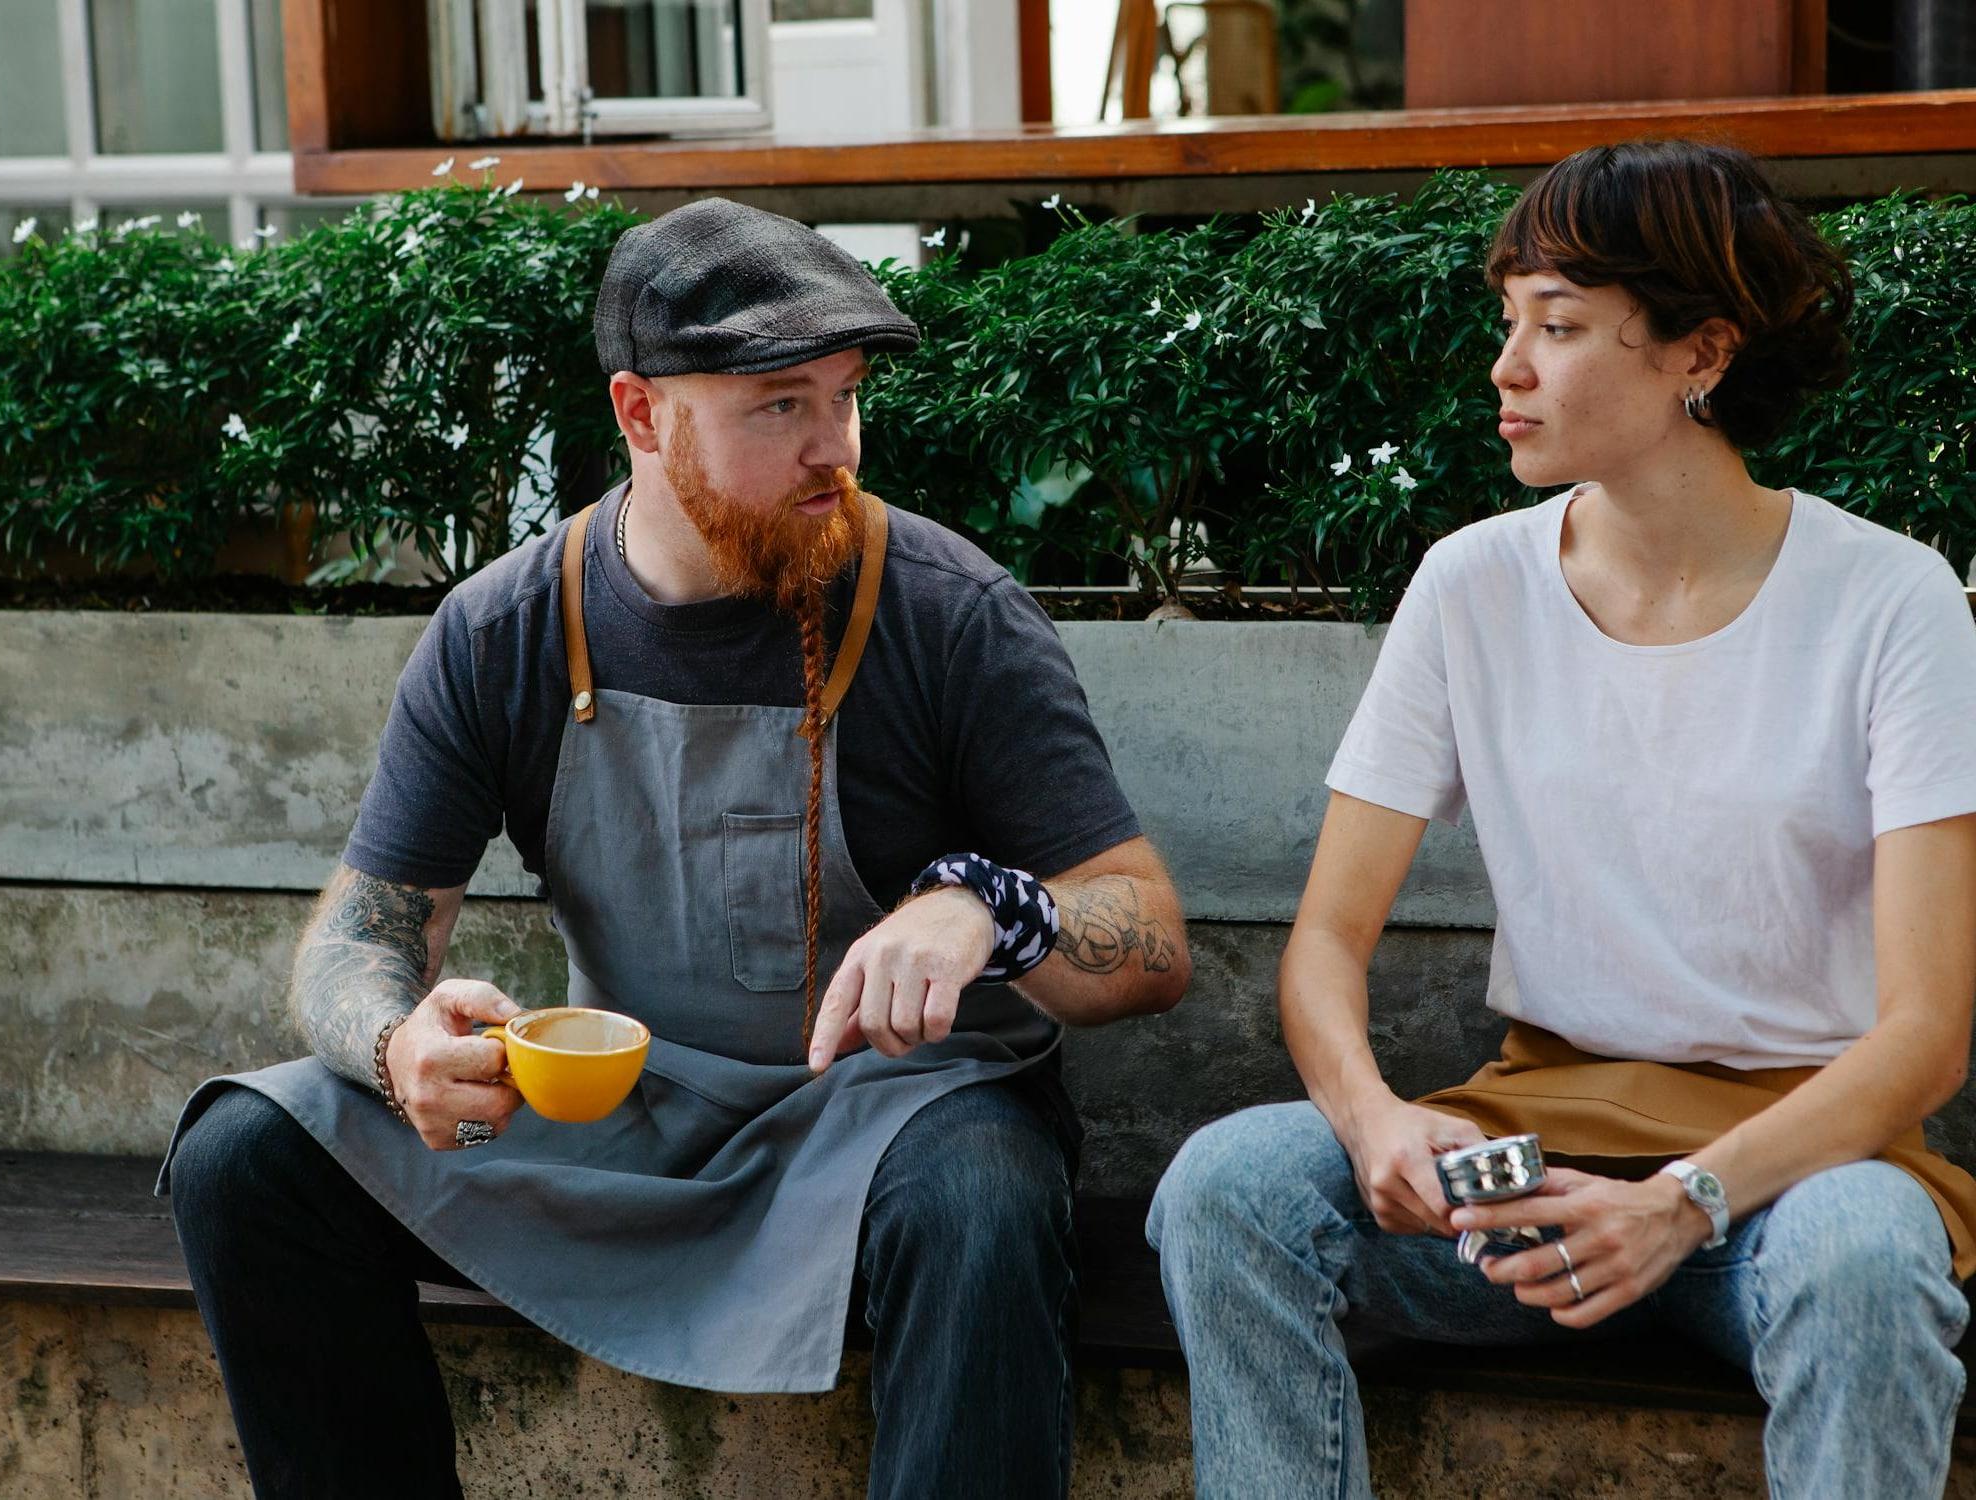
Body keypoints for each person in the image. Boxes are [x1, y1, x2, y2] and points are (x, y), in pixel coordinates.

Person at [162, 196, 1190, 1499]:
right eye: (780, 407)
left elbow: (1150, 940)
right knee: (246, 1154)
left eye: (847, 397)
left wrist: (997, 910)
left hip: (897, 1126)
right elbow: (363, 933)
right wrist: (395, 1042)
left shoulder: (948, 614)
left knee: (984, 1196)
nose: (837, 449)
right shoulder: (504, 632)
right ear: (641, 414)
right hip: (642, 1119)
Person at [1148, 139, 1976, 1498]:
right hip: (1529, 1161)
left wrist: (1682, 1203)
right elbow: (1324, 948)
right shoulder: (1472, 586)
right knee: (1231, 1187)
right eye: (1509, 319)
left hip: (1791, 1179)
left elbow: (1925, 1039)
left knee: (1868, 1261)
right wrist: (1375, 1125)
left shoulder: (1889, 603)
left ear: (1696, 353)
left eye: (1562, 325)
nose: (1507, 366)